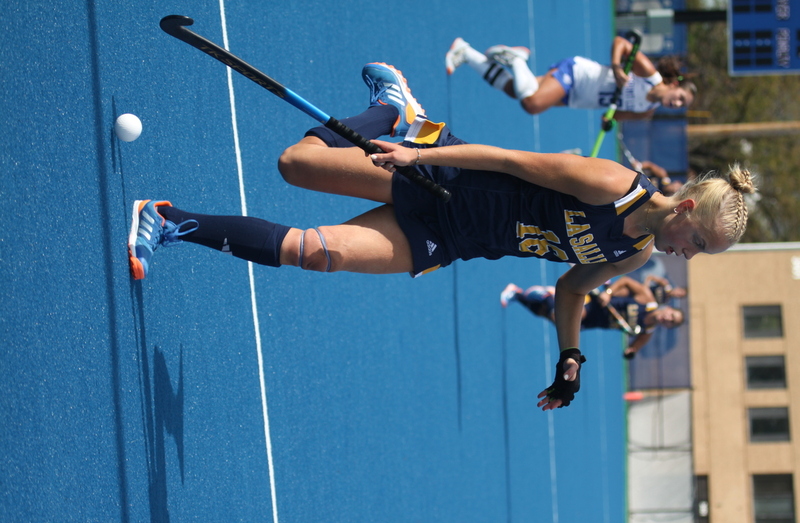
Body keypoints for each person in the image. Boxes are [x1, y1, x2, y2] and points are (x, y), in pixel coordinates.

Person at [128, 62, 754, 411]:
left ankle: (164, 221)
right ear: (688, 206)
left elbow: (571, 290)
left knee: (319, 254)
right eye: (697, 242)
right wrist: (415, 153)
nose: (686, 255)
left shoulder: (636, 252)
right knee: (295, 164)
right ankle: (393, 112)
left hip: (456, 239)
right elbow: (510, 160)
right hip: (448, 176)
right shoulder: (611, 183)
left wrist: (570, 355)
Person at [445, 36, 696, 122]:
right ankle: (516, 59)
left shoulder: (646, 111)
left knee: (516, 90)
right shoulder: (649, 74)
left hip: (575, 98)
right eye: (680, 98)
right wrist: (618, 68)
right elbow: (621, 42)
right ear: (674, 85)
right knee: (531, 104)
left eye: (680, 106)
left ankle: (465, 52)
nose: (676, 104)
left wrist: (610, 120)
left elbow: (611, 116)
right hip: (577, 75)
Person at [501, 278, 684, 359]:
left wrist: (630, 352)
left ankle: (517, 294)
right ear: (667, 309)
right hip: (594, 304)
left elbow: (633, 348)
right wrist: (609, 294)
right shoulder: (647, 300)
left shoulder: (646, 332)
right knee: (560, 317)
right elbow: (627, 281)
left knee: (546, 315)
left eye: (671, 322)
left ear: (667, 327)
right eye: (671, 315)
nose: (667, 319)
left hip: (594, 323)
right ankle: (549, 295)